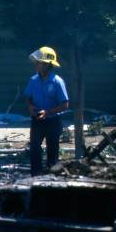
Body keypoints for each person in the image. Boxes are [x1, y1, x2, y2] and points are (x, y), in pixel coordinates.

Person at [25, 47, 69, 175]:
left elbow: (65, 104)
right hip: (37, 120)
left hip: (53, 122)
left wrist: (48, 112)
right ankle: (35, 176)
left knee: (52, 152)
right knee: (34, 149)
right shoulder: (33, 80)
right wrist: (30, 107)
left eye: (38, 62)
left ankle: (52, 178)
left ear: (46, 64)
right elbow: (27, 98)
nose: (36, 64)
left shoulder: (57, 82)